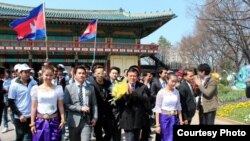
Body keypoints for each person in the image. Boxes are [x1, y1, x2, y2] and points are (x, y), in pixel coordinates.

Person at [29, 65, 65, 141]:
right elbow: (33, 107)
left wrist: (62, 119)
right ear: (42, 75)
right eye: (46, 75)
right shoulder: (36, 89)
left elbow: (60, 106)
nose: (48, 77)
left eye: (51, 75)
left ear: (54, 75)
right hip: (39, 121)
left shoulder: (58, 89)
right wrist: (32, 123)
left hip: (54, 121)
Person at [116, 67, 151, 141]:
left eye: (134, 76)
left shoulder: (142, 87)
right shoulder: (121, 86)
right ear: (127, 76)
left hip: (138, 118)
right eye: (130, 76)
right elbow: (118, 103)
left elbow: (146, 99)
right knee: (130, 138)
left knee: (135, 138)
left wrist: (133, 93)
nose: (132, 78)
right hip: (127, 118)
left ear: (137, 77)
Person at [64, 65, 97, 141]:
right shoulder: (68, 88)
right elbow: (66, 105)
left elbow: (94, 104)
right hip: (73, 121)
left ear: (86, 74)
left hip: (87, 120)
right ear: (75, 75)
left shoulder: (90, 87)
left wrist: (95, 117)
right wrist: (80, 108)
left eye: (83, 73)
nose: (81, 75)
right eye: (79, 73)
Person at [8, 64, 37, 141]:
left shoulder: (33, 83)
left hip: (31, 116)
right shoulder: (14, 85)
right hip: (20, 117)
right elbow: (11, 102)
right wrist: (19, 114)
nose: (28, 74)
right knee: (20, 137)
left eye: (28, 72)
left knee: (29, 137)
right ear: (20, 73)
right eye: (25, 72)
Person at [154, 72, 183, 141]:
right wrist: (157, 125)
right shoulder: (161, 92)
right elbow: (157, 109)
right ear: (167, 80)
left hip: (174, 119)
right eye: (172, 81)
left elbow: (178, 106)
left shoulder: (176, 92)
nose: (174, 83)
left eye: (175, 82)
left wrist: (181, 121)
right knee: (166, 138)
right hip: (164, 119)